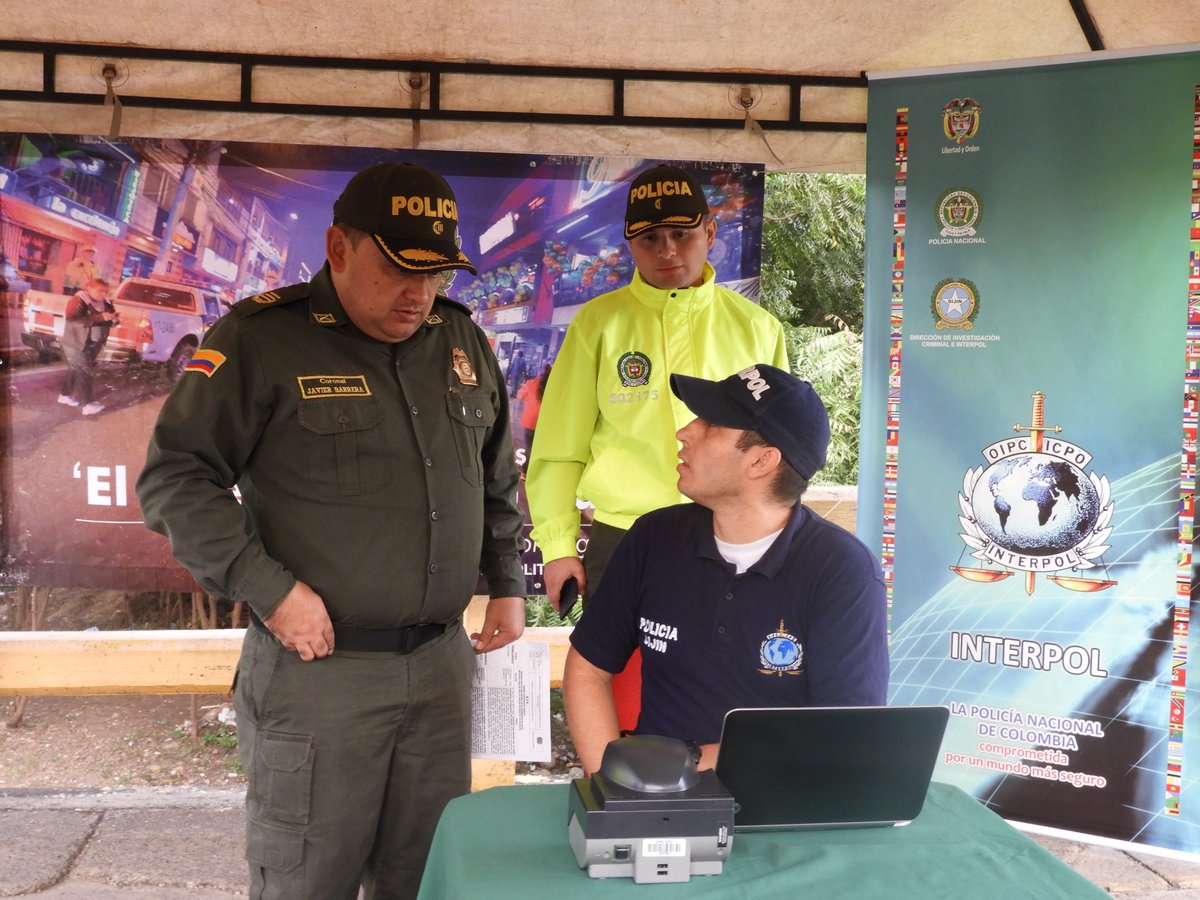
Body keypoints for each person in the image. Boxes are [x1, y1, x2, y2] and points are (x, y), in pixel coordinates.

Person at [136, 162, 526, 900]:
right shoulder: (261, 339)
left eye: (436, 273)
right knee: (308, 881)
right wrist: (270, 591)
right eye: (399, 269)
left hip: (440, 672)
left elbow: (494, 473)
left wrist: (507, 580)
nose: (419, 293)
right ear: (339, 248)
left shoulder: (460, 339)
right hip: (321, 677)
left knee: (429, 879)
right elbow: (176, 480)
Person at [526, 163, 789, 725]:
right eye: (649, 239)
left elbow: (780, 449)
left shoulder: (757, 327)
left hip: (733, 535)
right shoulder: (598, 325)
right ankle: (616, 774)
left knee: (729, 687)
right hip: (625, 538)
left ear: (710, 232)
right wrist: (558, 546)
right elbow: (558, 449)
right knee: (618, 692)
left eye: (681, 234)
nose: (667, 250)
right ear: (630, 245)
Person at [562, 364, 889, 775]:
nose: (685, 432)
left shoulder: (843, 571)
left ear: (762, 461)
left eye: (712, 424)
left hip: (781, 804)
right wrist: (613, 782)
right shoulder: (654, 537)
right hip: (656, 800)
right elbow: (588, 668)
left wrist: (680, 765)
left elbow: (846, 733)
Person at [58, 276, 117, 415]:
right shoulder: (78, 300)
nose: (103, 294)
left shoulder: (106, 302)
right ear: (89, 288)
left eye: (105, 291)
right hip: (75, 343)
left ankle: (64, 395)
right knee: (84, 371)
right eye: (99, 291)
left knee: (75, 369)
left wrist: (114, 320)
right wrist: (100, 317)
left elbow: (110, 318)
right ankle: (88, 404)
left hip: (93, 344)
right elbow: (73, 321)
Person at [516, 362, 551, 471]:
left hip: (530, 422)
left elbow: (520, 395)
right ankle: (537, 470)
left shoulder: (531, 383)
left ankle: (525, 471)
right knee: (539, 447)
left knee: (529, 447)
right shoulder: (553, 387)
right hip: (545, 423)